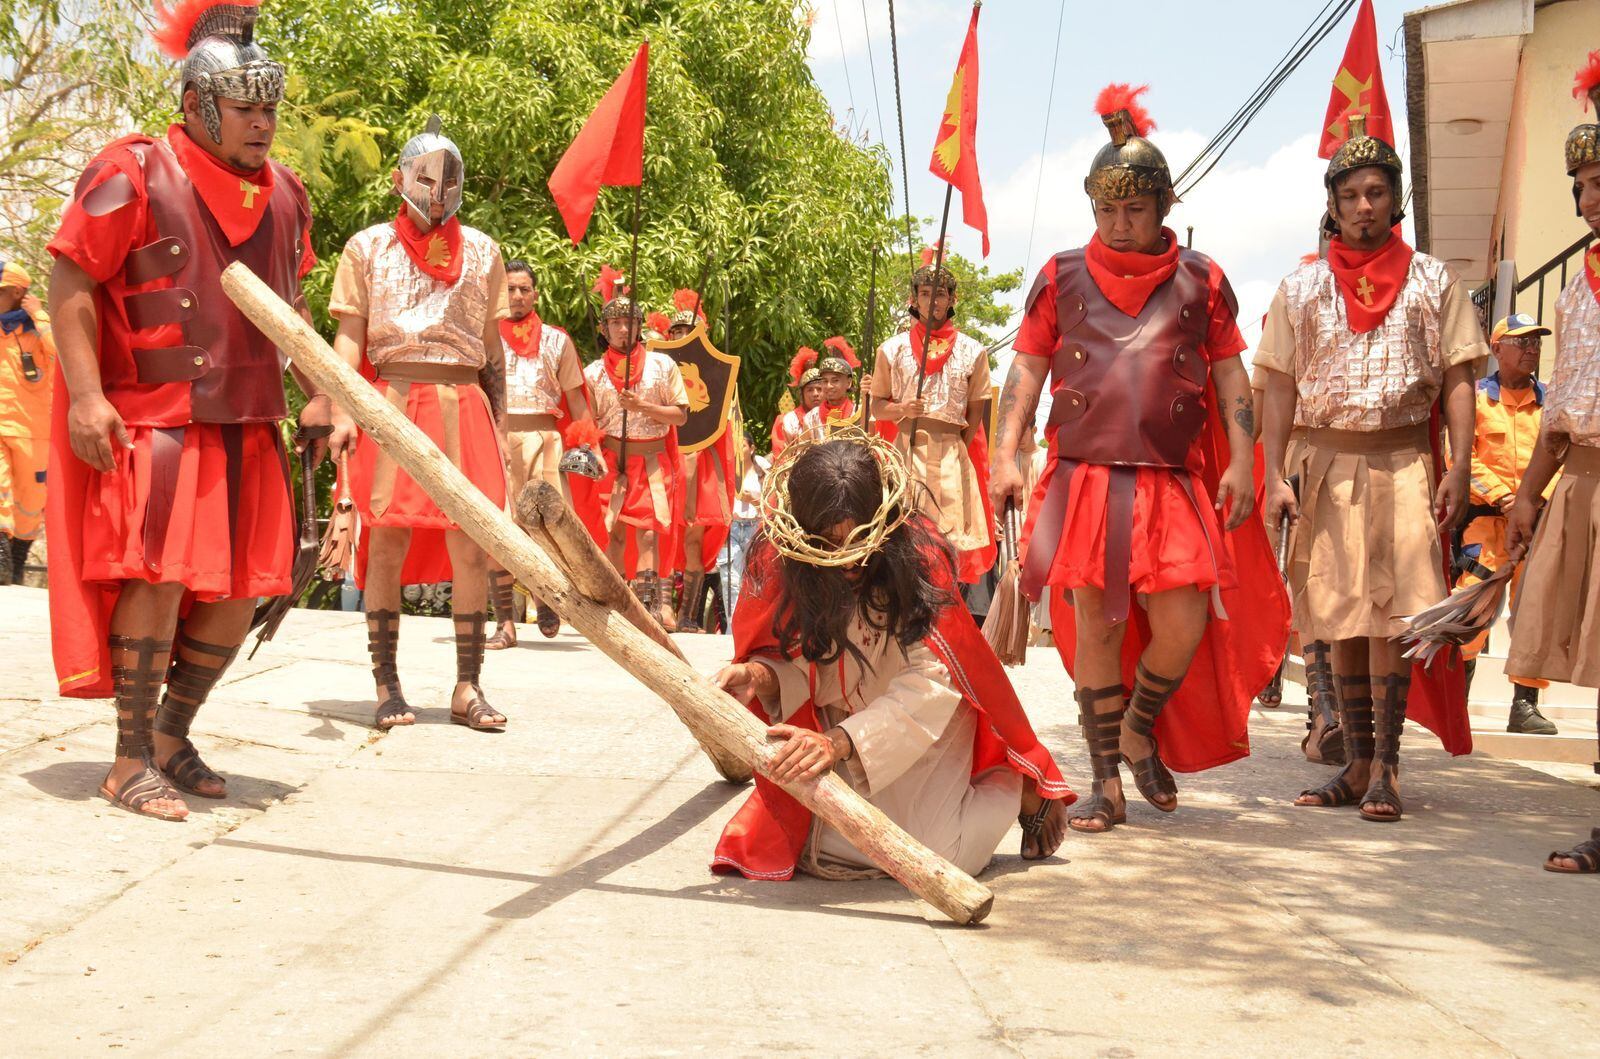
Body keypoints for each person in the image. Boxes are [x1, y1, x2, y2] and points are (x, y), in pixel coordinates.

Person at [44, 0, 339, 819]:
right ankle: (127, 758)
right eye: (246, 109)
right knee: (160, 577)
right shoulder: (129, 170)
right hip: (160, 419)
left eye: (270, 108)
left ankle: (172, 735)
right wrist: (89, 396)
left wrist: (321, 392)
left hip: (250, 420)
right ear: (198, 106)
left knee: (242, 589)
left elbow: (292, 304)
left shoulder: (288, 195)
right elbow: (71, 277)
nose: (263, 124)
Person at [993, 84, 1288, 835]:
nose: (1120, 226)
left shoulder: (1203, 279)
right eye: (1107, 211)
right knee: (1092, 624)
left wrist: (1243, 455)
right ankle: (1102, 781)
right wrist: (1008, 454)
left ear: (1163, 207)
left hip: (1170, 479)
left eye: (1135, 210)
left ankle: (1137, 727)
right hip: (1084, 476)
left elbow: (1230, 374)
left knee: (1182, 619)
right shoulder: (1059, 278)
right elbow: (1025, 368)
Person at [711, 432, 1072, 880]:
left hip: (921, 723)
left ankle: (1014, 785)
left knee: (941, 860)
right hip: (846, 730)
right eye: (827, 542)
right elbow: (799, 660)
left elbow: (930, 682)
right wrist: (760, 675)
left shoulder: (916, 560)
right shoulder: (784, 564)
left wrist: (840, 741)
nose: (845, 558)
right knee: (823, 845)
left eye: (856, 539)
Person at [1260, 114, 1485, 823]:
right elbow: (1277, 386)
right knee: (1340, 619)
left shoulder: (1431, 280)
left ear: (1395, 201)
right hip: (1323, 463)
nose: (1364, 205)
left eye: (1376, 192)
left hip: (1402, 462)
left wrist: (1459, 466)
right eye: (1351, 193)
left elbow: (1455, 377)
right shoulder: (1299, 289)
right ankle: (1354, 765)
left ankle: (1387, 767)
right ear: (1332, 204)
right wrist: (1271, 475)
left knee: (1393, 618)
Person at [328, 115, 510, 732]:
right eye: (427, 176)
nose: (438, 189)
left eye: (448, 178)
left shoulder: (484, 250)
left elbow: (493, 350)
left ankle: (467, 686)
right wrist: (342, 410)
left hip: (464, 403)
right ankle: (387, 684)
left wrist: (503, 427)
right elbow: (349, 340)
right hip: (392, 401)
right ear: (402, 177)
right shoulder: (366, 245)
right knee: (387, 539)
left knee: (472, 545)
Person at [1504, 54, 1600, 875]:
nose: (1591, 199)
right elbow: (1560, 411)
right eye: (1583, 185)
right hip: (1588, 482)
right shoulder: (1575, 293)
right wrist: (1531, 494)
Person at [1451, 313, 1556, 734]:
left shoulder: (1552, 401)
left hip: (1538, 525)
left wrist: (1536, 500)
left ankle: (1524, 707)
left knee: (1534, 612)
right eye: (1522, 341)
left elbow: (1564, 456)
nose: (1532, 348)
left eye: (1536, 342)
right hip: (1487, 523)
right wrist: (1507, 498)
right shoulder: (1476, 400)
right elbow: (1459, 456)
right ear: (1497, 348)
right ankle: (1456, 703)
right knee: (1472, 607)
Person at [485, 260, 595, 649]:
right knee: (496, 528)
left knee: (546, 528)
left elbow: (577, 399)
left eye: (523, 289)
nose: (516, 296)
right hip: (495, 436)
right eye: (509, 289)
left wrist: (585, 445)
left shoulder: (556, 340)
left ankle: (544, 595)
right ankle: (504, 624)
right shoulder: (485, 337)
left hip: (545, 438)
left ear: (534, 294)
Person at [870, 246, 996, 583]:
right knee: (905, 538)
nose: (933, 301)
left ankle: (947, 619)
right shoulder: (891, 349)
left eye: (940, 293)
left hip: (953, 456)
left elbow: (975, 414)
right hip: (906, 451)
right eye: (925, 293)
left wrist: (954, 445)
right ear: (914, 298)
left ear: (953, 298)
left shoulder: (974, 350)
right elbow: (876, 405)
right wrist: (902, 410)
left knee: (950, 543)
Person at [581, 275, 689, 627]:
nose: (622, 329)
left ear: (639, 326)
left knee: (646, 532)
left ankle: (648, 607)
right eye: (615, 323)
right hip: (610, 459)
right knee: (610, 531)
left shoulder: (663, 367)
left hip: (653, 460)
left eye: (629, 322)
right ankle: (616, 600)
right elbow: (588, 421)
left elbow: (681, 415)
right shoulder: (594, 372)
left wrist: (642, 407)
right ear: (605, 328)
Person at [663, 288, 734, 633]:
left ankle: (687, 614)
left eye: (686, 332)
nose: (681, 338)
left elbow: (721, 424)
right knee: (658, 534)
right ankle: (659, 606)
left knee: (692, 539)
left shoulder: (716, 374)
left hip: (701, 463)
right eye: (676, 333)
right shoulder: (658, 368)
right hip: (664, 458)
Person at [0, 259, 54, 583]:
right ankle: (2, 559)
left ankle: (17, 562)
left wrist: (40, 315)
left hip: (34, 433)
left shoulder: (38, 331)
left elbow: (64, 355)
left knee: (31, 503)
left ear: (18, 292)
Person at [770, 348, 823, 458]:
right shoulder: (788, 420)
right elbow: (781, 457)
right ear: (801, 394)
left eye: (819, 389)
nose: (815, 394)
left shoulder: (833, 415)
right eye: (810, 390)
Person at [802, 336, 861, 435]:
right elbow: (803, 450)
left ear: (848, 382)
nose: (829, 386)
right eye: (825, 381)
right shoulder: (811, 417)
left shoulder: (859, 412)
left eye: (835, 380)